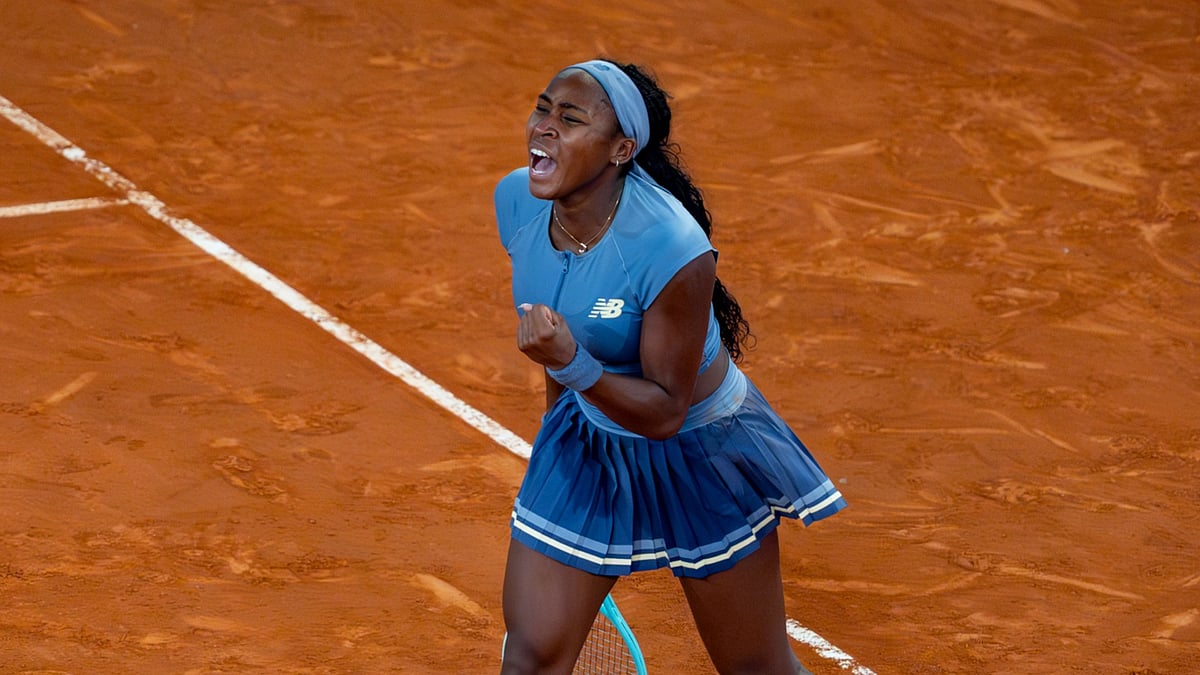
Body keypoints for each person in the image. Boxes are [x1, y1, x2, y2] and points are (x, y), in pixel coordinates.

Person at [494, 58, 847, 675]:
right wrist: (557, 436)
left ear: (621, 149)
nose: (543, 128)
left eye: (570, 118)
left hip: (700, 451)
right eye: (543, 108)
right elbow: (557, 312)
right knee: (531, 655)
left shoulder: (670, 247)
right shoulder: (516, 203)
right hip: (591, 438)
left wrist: (571, 363)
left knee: (755, 666)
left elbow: (664, 411)